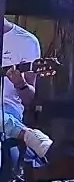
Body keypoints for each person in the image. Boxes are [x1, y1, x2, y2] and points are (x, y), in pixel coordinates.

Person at [1, 18, 54, 162]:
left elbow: (29, 99)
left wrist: (20, 84)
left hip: (8, 109)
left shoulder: (26, 41)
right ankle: (26, 134)